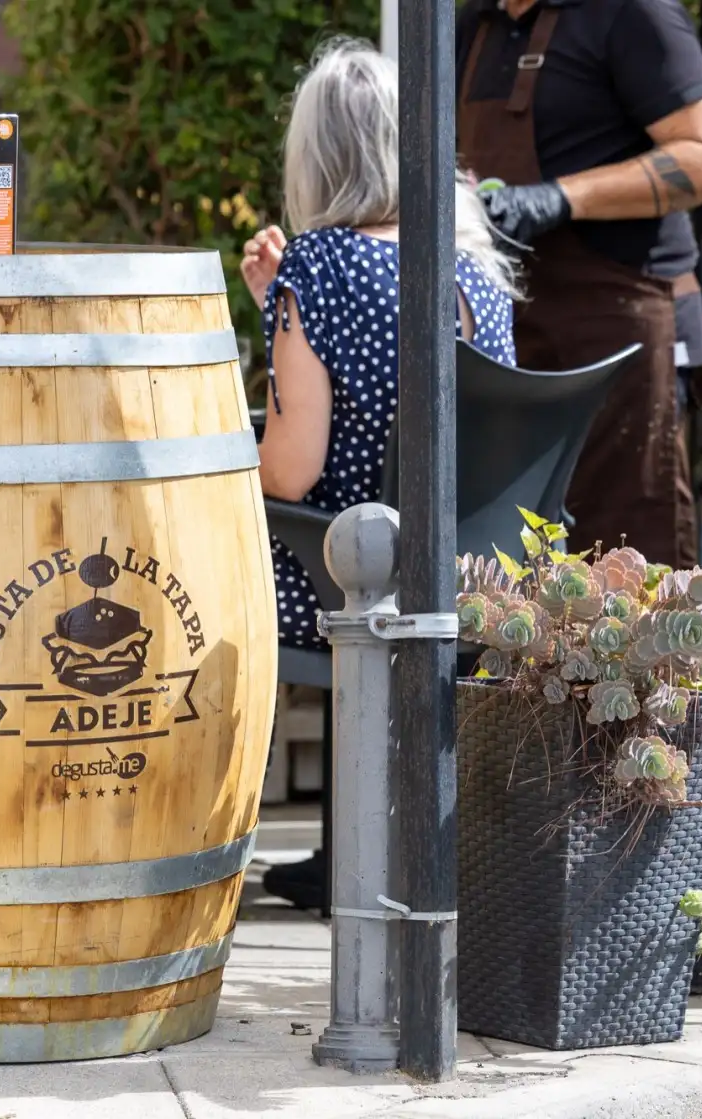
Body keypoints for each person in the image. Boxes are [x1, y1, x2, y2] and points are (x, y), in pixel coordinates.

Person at [239, 39, 516, 909]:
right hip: (472, 571)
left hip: (360, 578)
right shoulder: (472, 269)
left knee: (206, 568)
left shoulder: (318, 266)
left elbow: (290, 473)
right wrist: (280, 312)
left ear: (317, 156)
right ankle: (353, 852)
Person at [457, 0, 702, 570]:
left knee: (627, 556)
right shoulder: (473, 25)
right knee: (515, 560)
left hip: (623, 327)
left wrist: (561, 199)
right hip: (512, 333)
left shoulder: (632, 13)